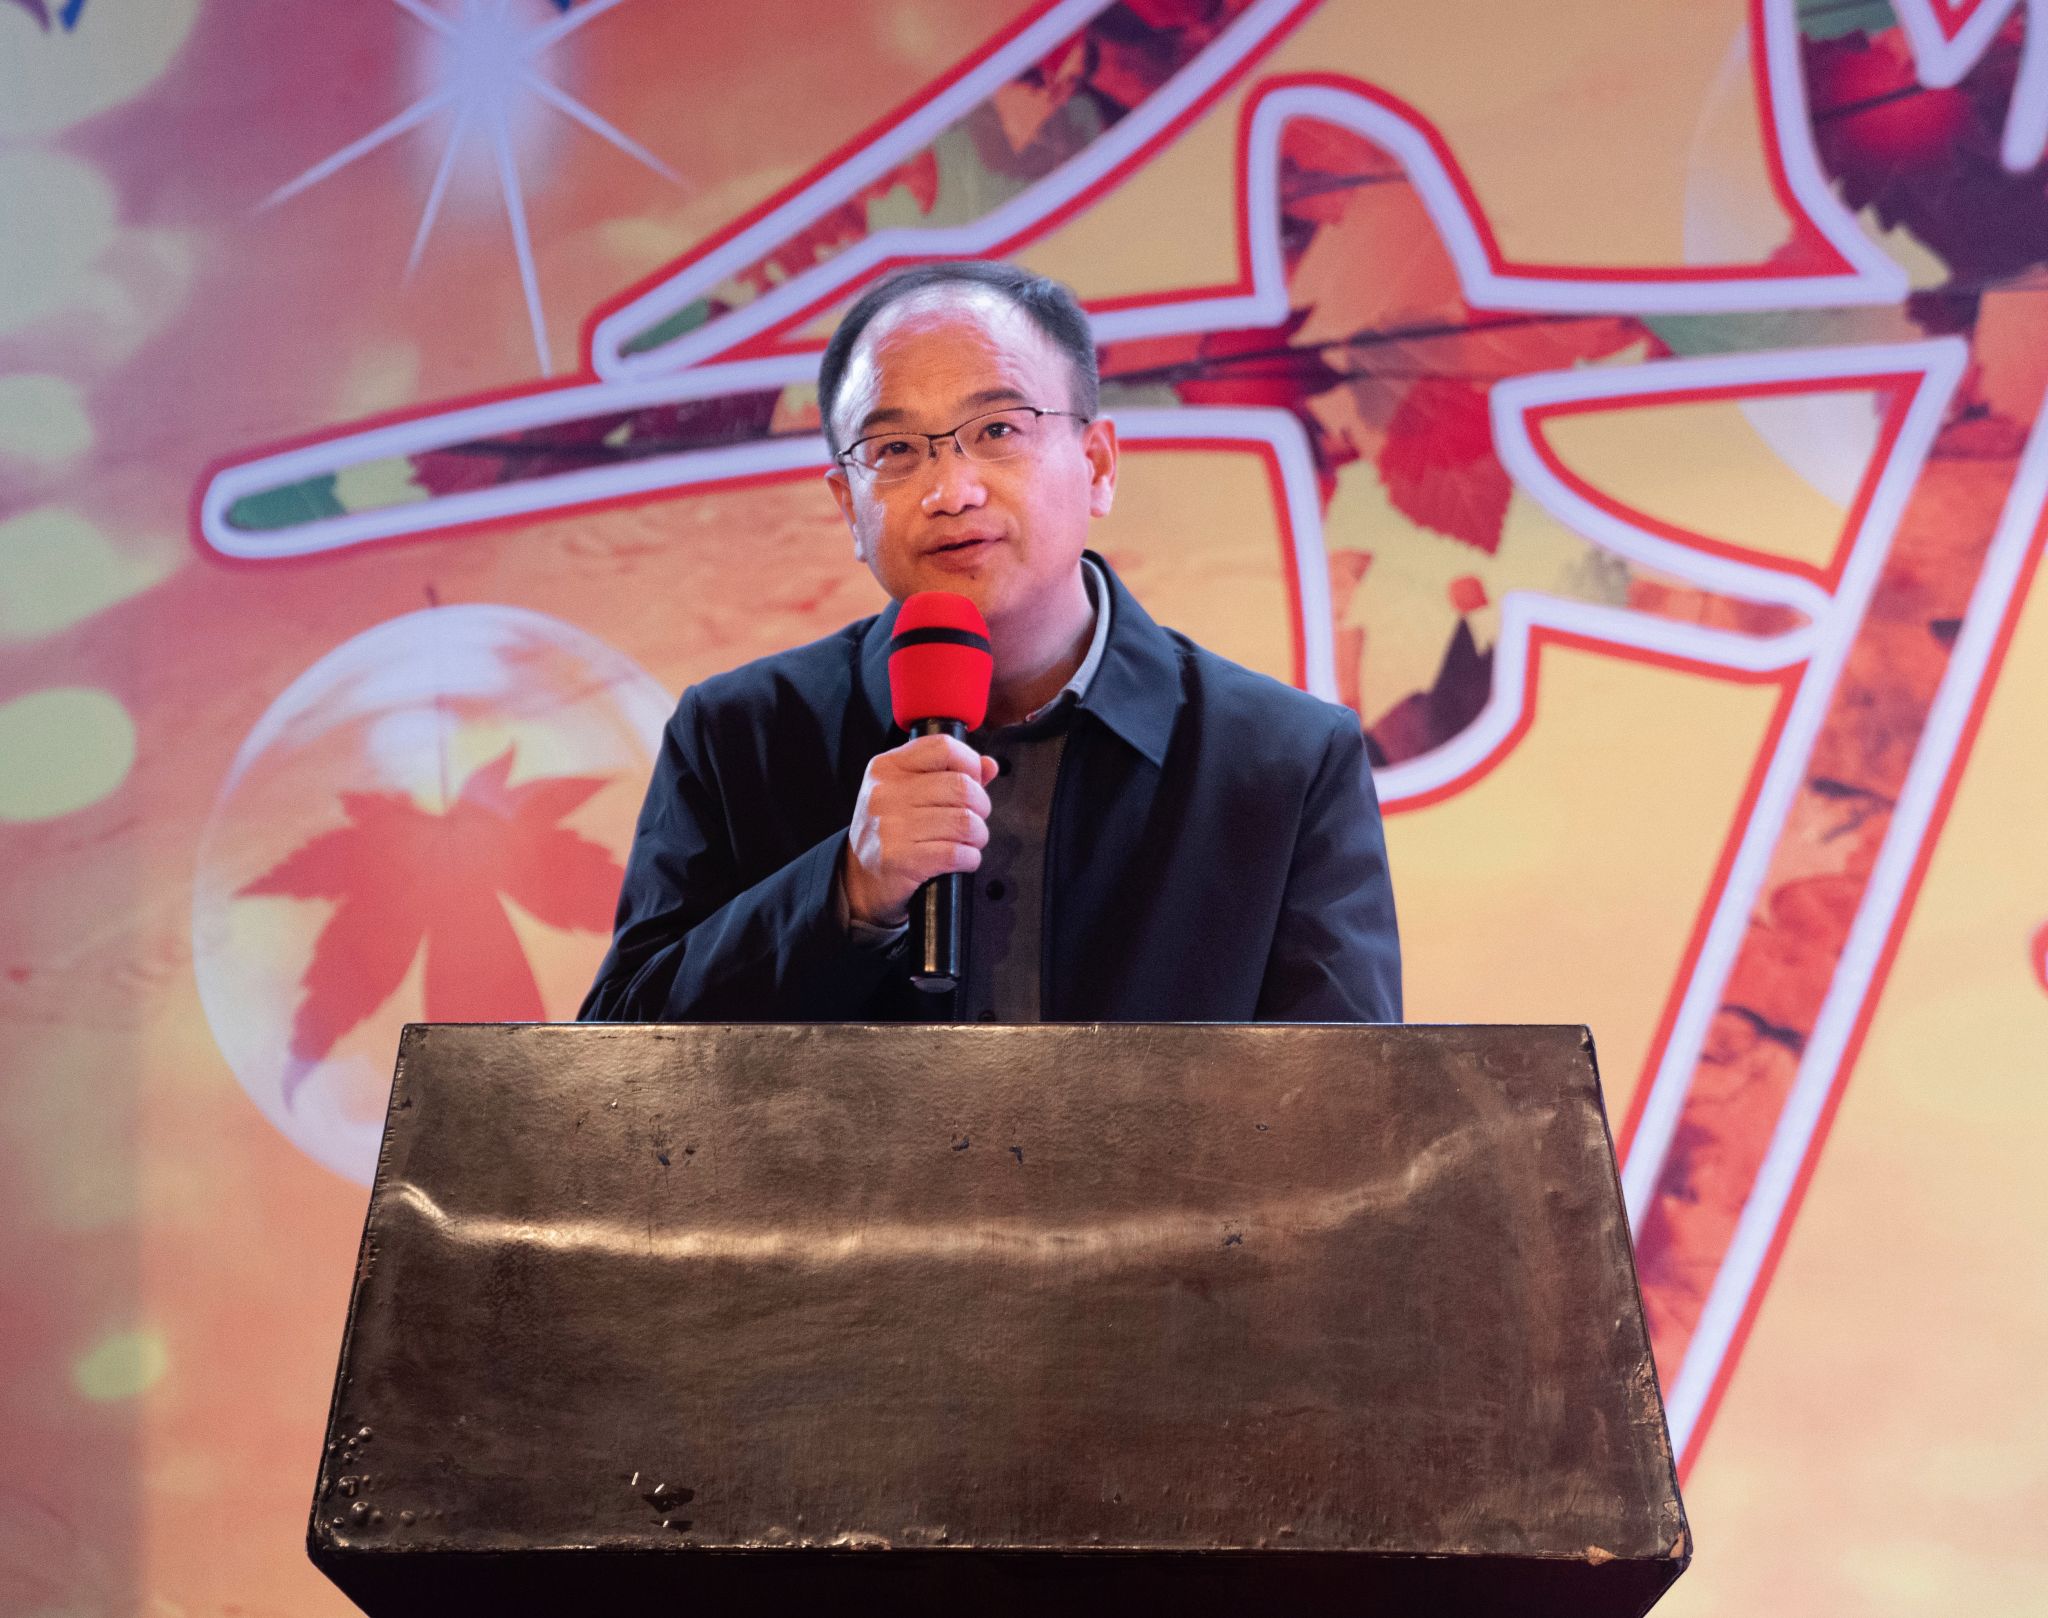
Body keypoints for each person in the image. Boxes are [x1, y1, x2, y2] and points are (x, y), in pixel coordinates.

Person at [579, 260, 1400, 1025]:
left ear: (1098, 465)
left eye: (999, 429)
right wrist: (844, 892)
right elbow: (610, 1070)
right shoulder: (735, 739)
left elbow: (1350, 1107)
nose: (950, 490)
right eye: (895, 450)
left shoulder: (1285, 763)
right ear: (848, 507)